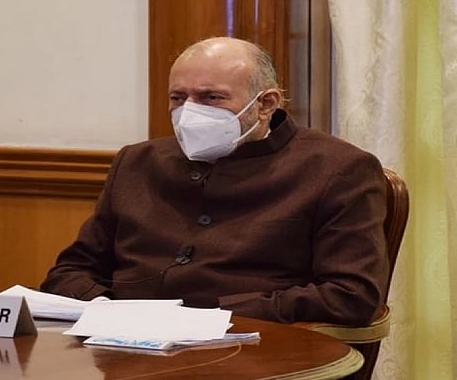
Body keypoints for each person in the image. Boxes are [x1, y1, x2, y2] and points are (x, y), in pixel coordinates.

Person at [41, 36, 388, 326]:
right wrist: (105, 309)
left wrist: (212, 316)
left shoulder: (337, 169)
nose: (189, 112)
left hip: (253, 354)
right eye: (178, 98)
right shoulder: (137, 162)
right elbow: (70, 271)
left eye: (211, 98)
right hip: (118, 349)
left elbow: (351, 296)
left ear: (265, 104)